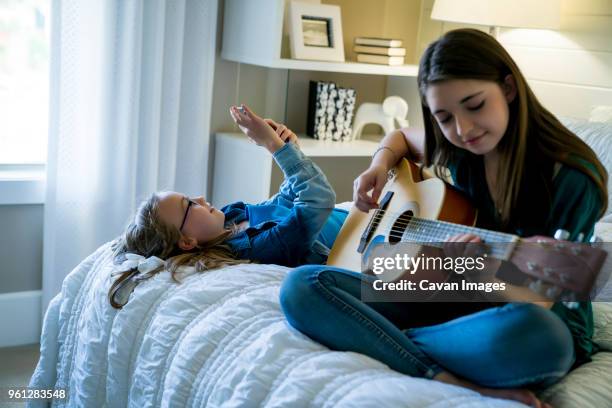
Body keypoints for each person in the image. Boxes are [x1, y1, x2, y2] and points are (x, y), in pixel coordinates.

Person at [280, 28, 608, 408]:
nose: (463, 129)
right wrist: (378, 164)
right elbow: (402, 136)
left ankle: (380, 336)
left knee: (539, 338)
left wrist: (470, 271)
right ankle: (444, 373)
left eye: (475, 105)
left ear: (509, 88)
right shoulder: (461, 150)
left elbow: (542, 300)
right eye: (444, 117)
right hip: (449, 299)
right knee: (302, 287)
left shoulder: (571, 178)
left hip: (531, 316)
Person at [109, 105, 347, 308]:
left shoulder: (231, 217)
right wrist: (274, 147)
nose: (201, 198)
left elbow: (284, 204)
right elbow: (318, 201)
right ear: (187, 241)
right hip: (360, 247)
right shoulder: (254, 248)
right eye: (190, 205)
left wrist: (288, 148)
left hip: (357, 219)